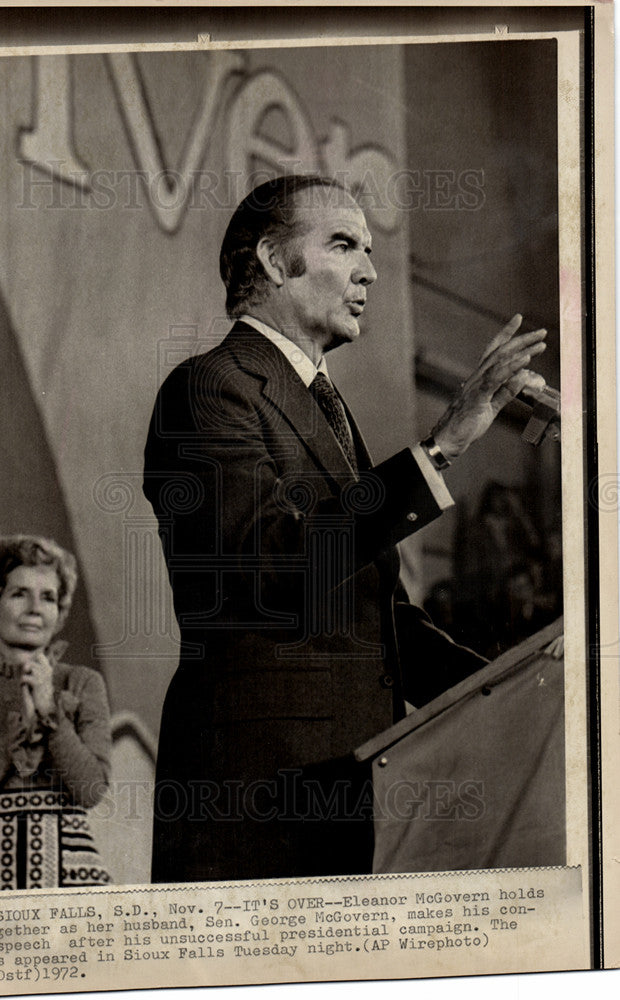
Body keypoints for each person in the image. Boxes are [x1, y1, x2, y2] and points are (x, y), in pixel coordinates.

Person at [143, 174, 548, 882]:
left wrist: (525, 688)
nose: (370, 270)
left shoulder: (323, 405)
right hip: (258, 798)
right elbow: (272, 569)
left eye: (369, 248)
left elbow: (378, 618)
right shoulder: (210, 387)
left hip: (346, 789)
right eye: (343, 244)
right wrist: (441, 447)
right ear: (273, 261)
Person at [0, 535, 112, 891]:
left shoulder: (82, 683)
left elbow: (90, 791)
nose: (35, 608)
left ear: (59, 615)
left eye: (48, 597)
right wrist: (7, 747)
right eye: (19, 594)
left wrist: (49, 711)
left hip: (71, 877)